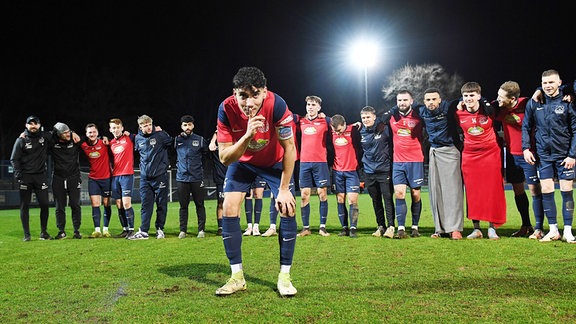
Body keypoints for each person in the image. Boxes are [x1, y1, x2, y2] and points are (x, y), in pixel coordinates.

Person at [215, 66, 298, 296]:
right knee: (229, 208)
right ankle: (237, 277)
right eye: (243, 95)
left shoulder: (277, 105)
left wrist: (283, 189)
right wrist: (247, 136)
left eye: (255, 95)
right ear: (235, 94)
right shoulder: (225, 109)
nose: (249, 102)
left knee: (287, 208)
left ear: (264, 92)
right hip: (242, 163)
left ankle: (284, 277)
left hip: (274, 163)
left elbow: (289, 147)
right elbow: (224, 158)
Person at [522, 70, 576, 243]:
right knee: (546, 191)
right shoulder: (535, 101)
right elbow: (526, 126)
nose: (548, 86)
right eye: (545, 83)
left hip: (564, 156)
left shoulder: (569, 101)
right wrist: (526, 148)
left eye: (551, 82)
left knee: (567, 192)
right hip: (543, 156)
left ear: (559, 82)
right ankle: (553, 230)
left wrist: (572, 155)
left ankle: (567, 230)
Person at [455, 82, 507, 239]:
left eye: (472, 95)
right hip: (470, 156)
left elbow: (507, 101)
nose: (469, 98)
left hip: (491, 154)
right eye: (466, 96)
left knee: (493, 190)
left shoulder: (489, 110)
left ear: (478, 95)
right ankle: (476, 228)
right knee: (472, 192)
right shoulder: (458, 113)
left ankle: (492, 227)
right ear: (462, 97)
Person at [494, 81, 543, 238]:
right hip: (511, 155)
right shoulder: (499, 108)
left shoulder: (527, 104)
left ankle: (539, 228)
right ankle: (526, 225)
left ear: (513, 98)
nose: (498, 99)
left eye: (501, 97)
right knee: (518, 191)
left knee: (535, 190)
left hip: (529, 154)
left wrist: (539, 89)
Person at [419, 88, 465, 240]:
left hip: (450, 151)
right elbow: (401, 108)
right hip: (434, 152)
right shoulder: (421, 112)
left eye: (434, 99)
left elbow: (466, 98)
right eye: (428, 100)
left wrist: (460, 103)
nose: (431, 102)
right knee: (435, 192)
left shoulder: (448, 106)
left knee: (453, 192)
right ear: (424, 102)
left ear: (440, 100)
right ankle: (440, 228)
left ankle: (455, 229)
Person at [129, 114, 173, 240]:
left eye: (149, 124)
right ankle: (143, 231)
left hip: (160, 176)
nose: (148, 127)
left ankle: (160, 229)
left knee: (161, 204)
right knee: (145, 205)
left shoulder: (160, 135)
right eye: (145, 125)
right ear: (140, 126)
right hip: (145, 178)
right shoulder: (138, 139)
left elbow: (171, 142)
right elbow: (141, 154)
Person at [388, 90, 424, 239]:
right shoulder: (391, 117)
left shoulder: (419, 115)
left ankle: (415, 226)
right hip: (398, 162)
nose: (402, 103)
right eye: (399, 100)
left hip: (415, 160)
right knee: (400, 193)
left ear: (411, 101)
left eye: (405, 100)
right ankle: (401, 228)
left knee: (415, 194)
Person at [10, 116, 53, 241]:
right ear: (26, 125)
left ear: (39, 125)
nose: (33, 126)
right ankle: (27, 234)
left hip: (40, 177)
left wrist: (71, 133)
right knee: (25, 205)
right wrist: (19, 175)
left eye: (35, 124)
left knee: (45, 204)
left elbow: (59, 133)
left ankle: (43, 232)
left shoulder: (45, 137)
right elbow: (14, 159)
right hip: (26, 177)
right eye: (30, 124)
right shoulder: (21, 140)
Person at [294, 96, 332, 237]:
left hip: (320, 162)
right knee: (304, 196)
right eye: (308, 104)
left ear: (319, 107)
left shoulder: (326, 121)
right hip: (304, 162)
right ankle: (306, 228)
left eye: (313, 105)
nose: (310, 107)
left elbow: (341, 124)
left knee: (322, 194)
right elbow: (286, 117)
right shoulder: (300, 121)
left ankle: (322, 227)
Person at [358, 106, 395, 238]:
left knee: (388, 198)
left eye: (368, 117)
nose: (366, 120)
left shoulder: (384, 127)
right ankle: (380, 226)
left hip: (384, 170)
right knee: (376, 200)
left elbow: (393, 112)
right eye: (363, 118)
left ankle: (391, 226)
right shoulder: (360, 131)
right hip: (369, 171)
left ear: (374, 117)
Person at [175, 115, 208, 239]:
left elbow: (205, 157)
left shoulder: (199, 140)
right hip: (181, 178)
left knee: (200, 204)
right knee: (183, 206)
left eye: (189, 124)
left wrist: (199, 170)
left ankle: (201, 230)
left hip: (196, 178)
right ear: (181, 126)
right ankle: (183, 230)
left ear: (193, 125)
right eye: (185, 125)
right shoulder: (177, 140)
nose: (187, 127)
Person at [330, 114, 363, 238]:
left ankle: (353, 228)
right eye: (334, 130)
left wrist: (357, 124)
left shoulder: (353, 130)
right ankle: (344, 228)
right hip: (337, 171)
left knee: (352, 200)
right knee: (340, 199)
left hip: (351, 171)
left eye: (339, 130)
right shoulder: (330, 132)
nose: (337, 133)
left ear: (344, 125)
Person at [50, 122, 83, 239]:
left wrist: (103, 137)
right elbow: (43, 136)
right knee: (59, 206)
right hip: (58, 178)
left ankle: (76, 230)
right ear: (58, 134)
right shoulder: (52, 142)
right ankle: (61, 231)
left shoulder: (75, 140)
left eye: (68, 131)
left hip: (73, 177)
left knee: (75, 204)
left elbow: (90, 141)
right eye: (64, 133)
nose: (67, 134)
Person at [80, 123, 113, 238]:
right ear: (86, 134)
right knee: (95, 204)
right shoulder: (83, 145)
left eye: (94, 132)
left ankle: (106, 229)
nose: (92, 134)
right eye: (89, 132)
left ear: (97, 133)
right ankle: (97, 230)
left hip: (106, 178)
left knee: (106, 203)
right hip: (93, 179)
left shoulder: (104, 143)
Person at [109, 118, 137, 238]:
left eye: (118, 127)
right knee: (119, 204)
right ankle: (125, 229)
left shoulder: (129, 138)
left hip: (127, 175)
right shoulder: (110, 143)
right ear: (110, 130)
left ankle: (131, 230)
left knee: (126, 203)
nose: (116, 130)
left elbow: (142, 136)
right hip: (115, 176)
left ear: (122, 128)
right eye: (113, 128)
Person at [209, 130, 226, 236]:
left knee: (234, 203)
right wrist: (215, 134)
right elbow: (211, 147)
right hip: (220, 179)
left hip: (232, 179)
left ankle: (234, 225)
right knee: (220, 203)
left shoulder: (232, 146)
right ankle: (220, 227)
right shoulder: (215, 149)